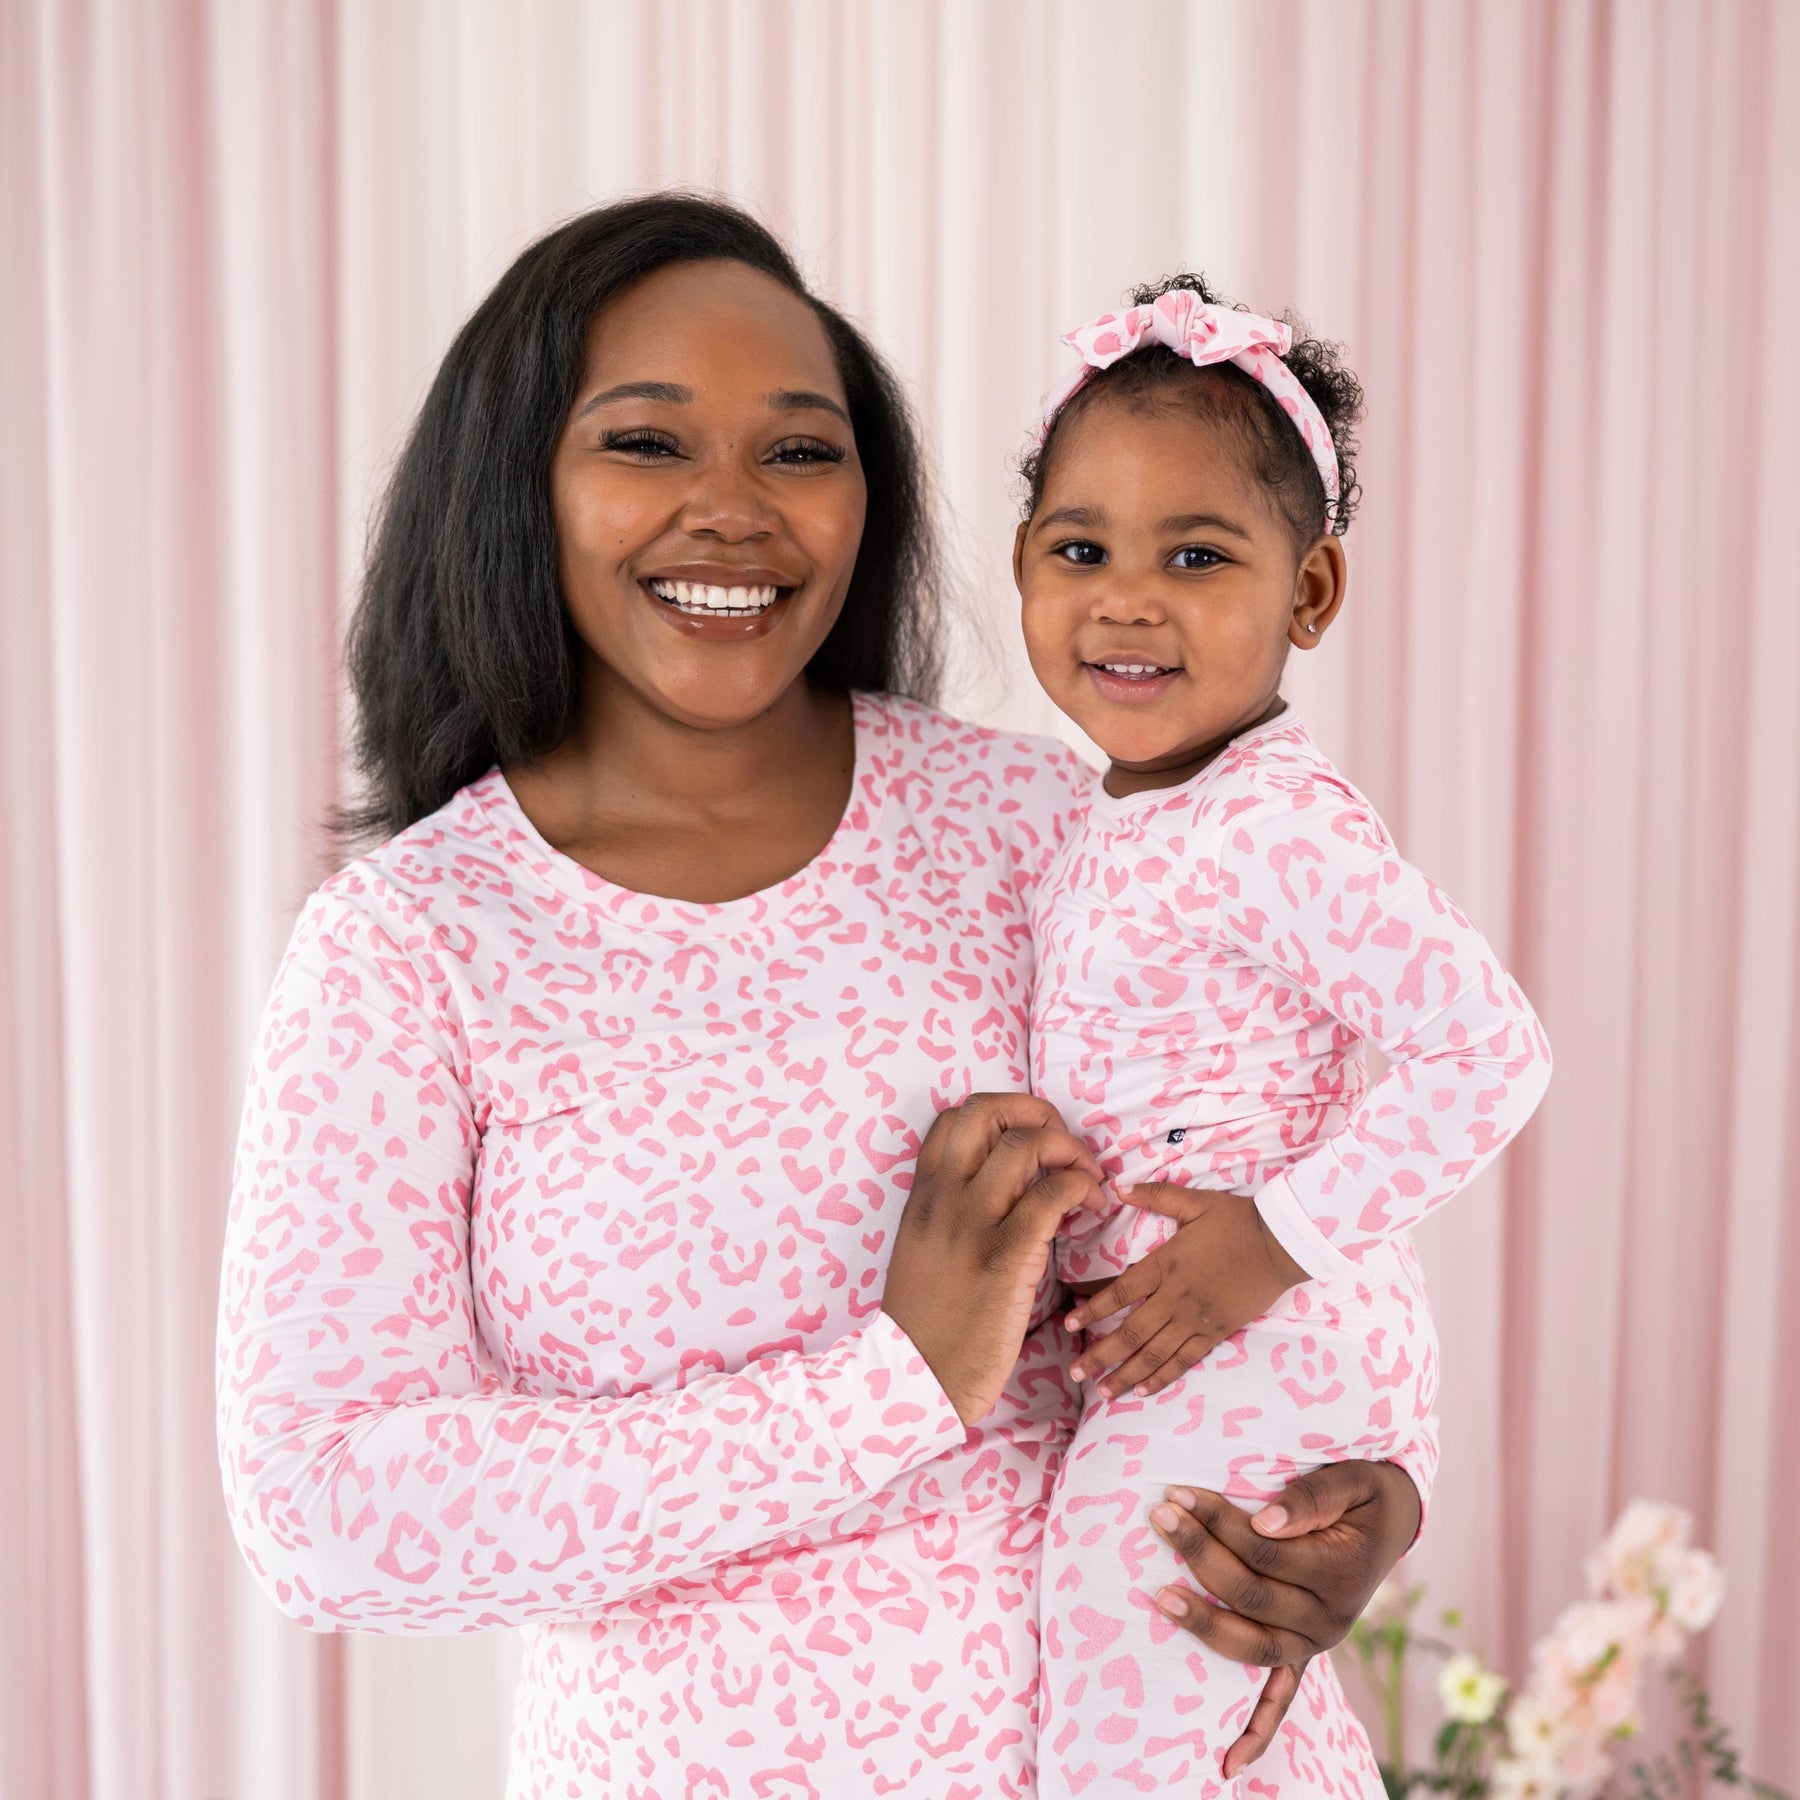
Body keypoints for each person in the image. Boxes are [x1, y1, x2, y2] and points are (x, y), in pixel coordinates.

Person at [214, 196, 1437, 1799]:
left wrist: (1375, 1497)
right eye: (647, 444)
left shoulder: (1055, 829)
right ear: (517, 482)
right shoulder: (412, 948)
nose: (733, 510)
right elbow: (327, 1515)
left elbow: (1305, 1199)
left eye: (799, 451)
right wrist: (894, 1381)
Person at [1013, 277, 1553, 1795]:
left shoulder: (1271, 827)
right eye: (1082, 551)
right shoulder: (1102, 818)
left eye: (1198, 556)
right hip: (1204, 1339)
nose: (1129, 597)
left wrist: (1268, 1242)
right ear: (1023, 570)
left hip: (1273, 1327)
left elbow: (1489, 1052)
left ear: (1308, 597)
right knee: (1196, 1719)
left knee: (1133, 1711)